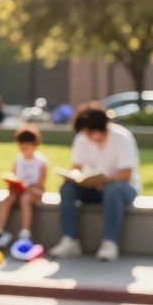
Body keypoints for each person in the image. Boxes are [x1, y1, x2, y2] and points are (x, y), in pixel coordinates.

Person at [51, 103, 141, 261]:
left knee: (113, 189)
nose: (87, 135)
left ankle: (109, 242)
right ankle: (70, 240)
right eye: (85, 131)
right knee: (67, 188)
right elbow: (77, 168)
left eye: (90, 131)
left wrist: (104, 180)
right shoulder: (82, 138)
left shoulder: (122, 138)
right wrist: (75, 177)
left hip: (123, 188)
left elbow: (126, 175)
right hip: (94, 188)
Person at [0, 124, 47, 241]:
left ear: (34, 145)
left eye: (26, 148)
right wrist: (12, 184)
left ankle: (25, 232)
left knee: (25, 200)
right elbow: (14, 176)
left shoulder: (41, 162)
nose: (23, 151)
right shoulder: (18, 159)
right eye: (21, 148)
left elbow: (41, 183)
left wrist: (28, 186)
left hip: (34, 191)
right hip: (19, 190)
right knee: (8, 199)